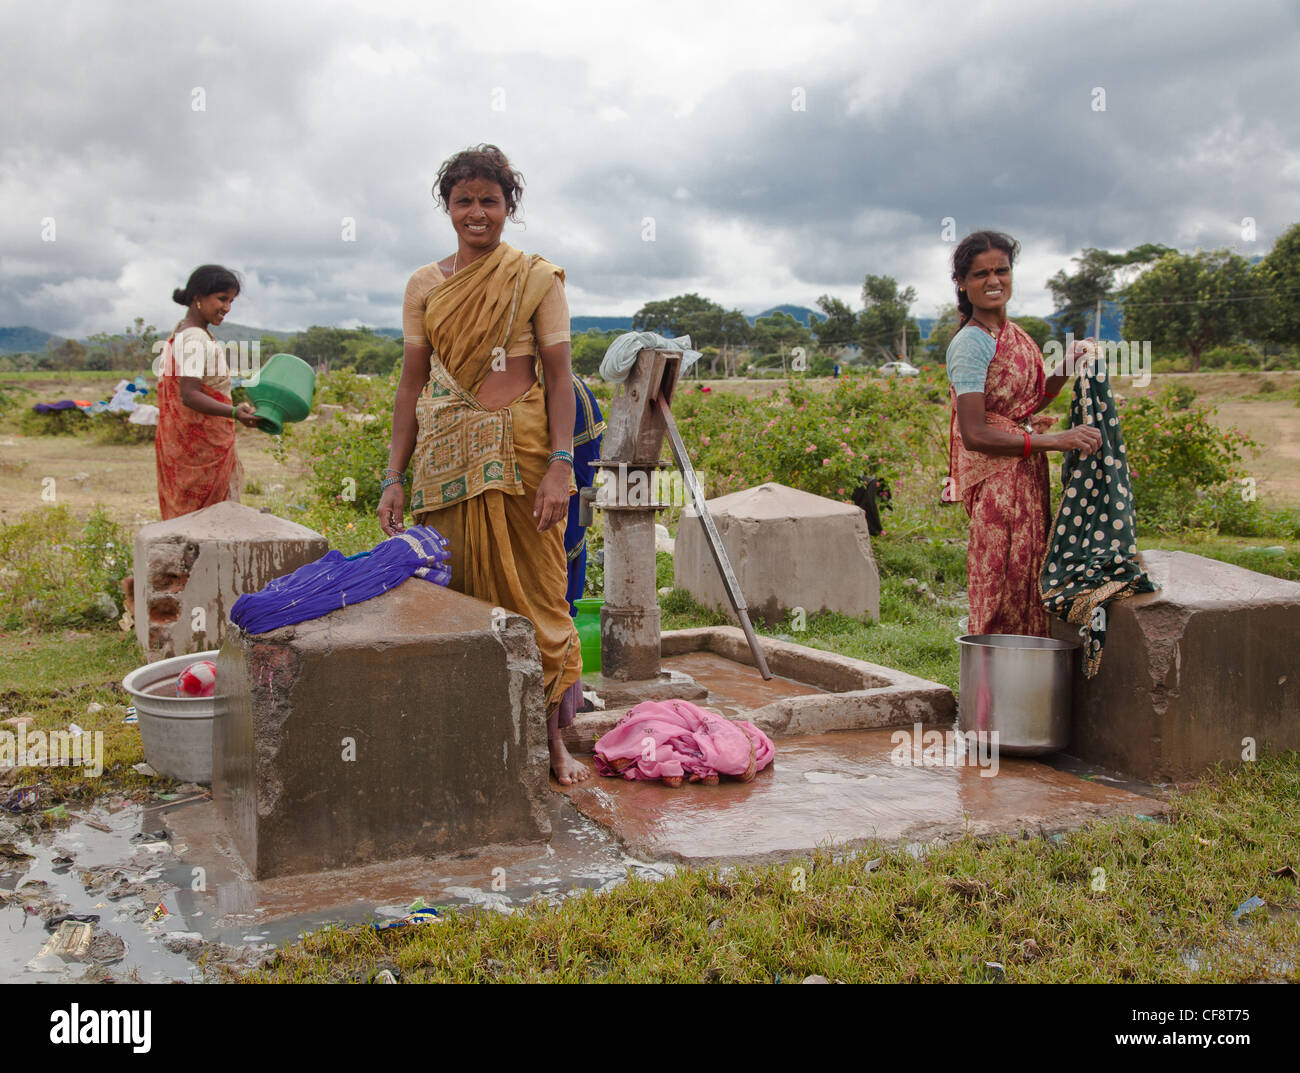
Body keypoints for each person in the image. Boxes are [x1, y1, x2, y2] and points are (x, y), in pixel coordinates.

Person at [377, 144, 588, 785]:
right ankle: (470, 736)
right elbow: (411, 385)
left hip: (523, 454)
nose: (476, 212)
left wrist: (561, 463)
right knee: (455, 592)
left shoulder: (535, 278)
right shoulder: (423, 284)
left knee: (538, 594)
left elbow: (559, 377)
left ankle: (552, 744)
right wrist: (394, 474)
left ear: (508, 207)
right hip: (445, 458)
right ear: (447, 208)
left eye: (488, 201)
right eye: (464, 201)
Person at [945, 231, 1101, 636]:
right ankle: (991, 685)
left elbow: (1024, 407)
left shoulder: (1014, 336)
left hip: (1024, 474)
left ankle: (1026, 682)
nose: (993, 280)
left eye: (1002, 270)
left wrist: (1067, 364)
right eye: (980, 274)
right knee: (1000, 582)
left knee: (1028, 577)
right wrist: (1056, 440)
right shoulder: (972, 344)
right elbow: (976, 432)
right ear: (962, 283)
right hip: (997, 484)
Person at [155, 265, 260, 519]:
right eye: (222, 299)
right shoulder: (194, 338)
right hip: (199, 450)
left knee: (191, 520)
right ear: (197, 298)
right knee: (206, 520)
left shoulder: (185, 332)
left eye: (231, 301)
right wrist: (235, 412)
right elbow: (189, 394)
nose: (227, 308)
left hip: (186, 445)